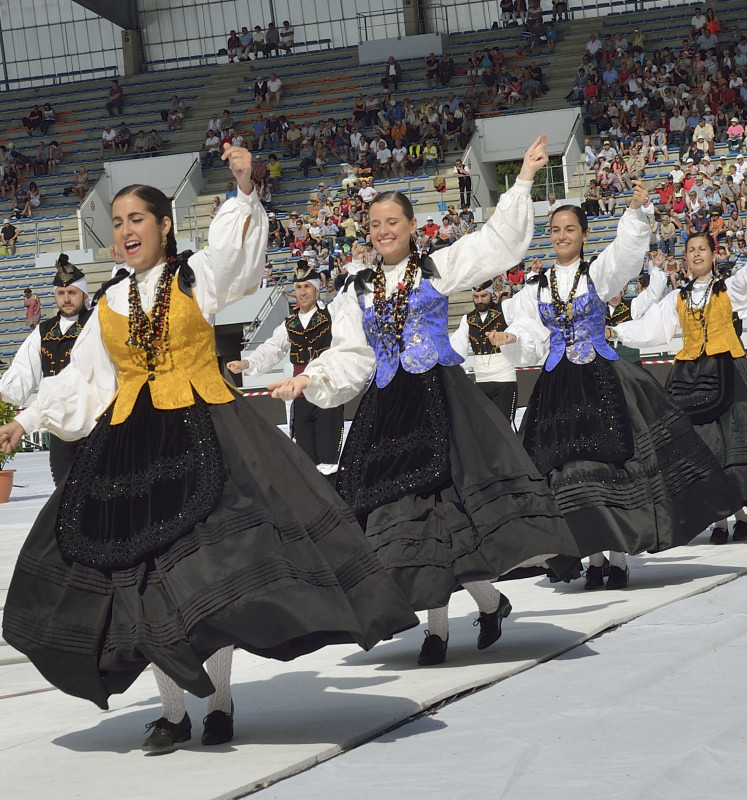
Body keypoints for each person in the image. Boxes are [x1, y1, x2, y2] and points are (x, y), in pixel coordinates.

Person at [0, 145, 418, 753]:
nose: (127, 230)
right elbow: (83, 381)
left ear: (164, 226)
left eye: (138, 219)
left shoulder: (194, 276)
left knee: (209, 574)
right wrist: (25, 418)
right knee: (142, 577)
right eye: (119, 222)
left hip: (207, 432)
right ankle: (171, 712)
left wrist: (243, 186)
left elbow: (238, 259)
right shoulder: (107, 304)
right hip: (132, 445)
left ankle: (219, 703)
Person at [269, 136, 580, 667]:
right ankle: (483, 607)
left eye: (393, 222)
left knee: (446, 510)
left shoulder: (437, 267)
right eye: (374, 224)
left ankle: (442, 630)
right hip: (387, 409)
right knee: (406, 516)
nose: (383, 231)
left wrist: (524, 178)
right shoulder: (358, 288)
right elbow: (351, 354)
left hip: (440, 400)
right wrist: (309, 380)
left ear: (412, 227)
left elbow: (495, 244)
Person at [495, 181, 734, 591]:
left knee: (610, 463)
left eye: (570, 229)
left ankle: (618, 557)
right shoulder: (536, 287)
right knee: (567, 471)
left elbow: (624, 257)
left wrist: (635, 213)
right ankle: (593, 556)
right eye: (555, 230)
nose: (562, 236)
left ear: (584, 235)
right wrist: (514, 339)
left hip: (600, 381)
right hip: (557, 387)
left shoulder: (595, 275)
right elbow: (528, 329)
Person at [613, 218, 747, 544]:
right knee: (703, 447)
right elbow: (652, 328)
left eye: (702, 249)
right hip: (690, 377)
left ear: (713, 255)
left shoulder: (728, 289)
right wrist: (617, 331)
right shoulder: (678, 297)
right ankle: (723, 519)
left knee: (732, 445)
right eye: (690, 251)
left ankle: (735, 516)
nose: (696, 255)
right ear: (684, 259)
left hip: (729, 372)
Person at [228, 263, 346, 470]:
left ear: (316, 289)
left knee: (329, 460)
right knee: (306, 460)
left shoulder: (331, 317)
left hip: (327, 393)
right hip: (300, 398)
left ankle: (337, 500)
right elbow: (272, 348)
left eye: (307, 287)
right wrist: (247, 362)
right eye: (298, 287)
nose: (302, 292)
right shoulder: (288, 324)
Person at [0, 259, 93, 485]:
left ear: (84, 295)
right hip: (59, 425)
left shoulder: (96, 323)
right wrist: (1, 389)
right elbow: (24, 365)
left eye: (72, 292)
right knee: (63, 493)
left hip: (94, 423)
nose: (66, 299)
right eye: (61, 293)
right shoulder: (45, 330)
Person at [450, 282, 519, 428]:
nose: (480, 300)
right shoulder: (467, 319)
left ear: (491, 294)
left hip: (504, 380)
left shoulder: (504, 309)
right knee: (482, 428)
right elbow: (457, 349)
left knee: (503, 428)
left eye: (483, 296)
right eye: (476, 297)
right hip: (481, 381)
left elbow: (522, 323)